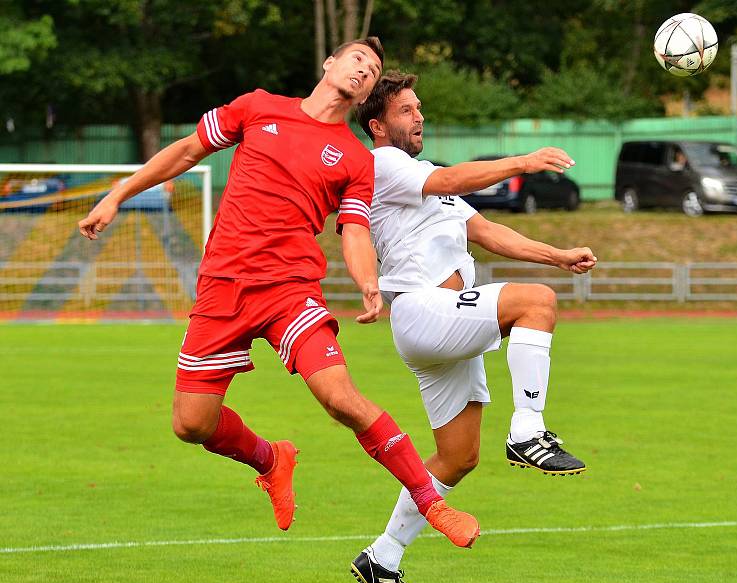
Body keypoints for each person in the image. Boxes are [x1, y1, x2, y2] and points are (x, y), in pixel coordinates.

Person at [77, 40, 478, 549]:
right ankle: (271, 459)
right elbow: (185, 151)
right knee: (191, 424)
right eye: (358, 59)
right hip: (222, 287)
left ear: (366, 96)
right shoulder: (258, 106)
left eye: (373, 71)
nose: (364, 70)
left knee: (341, 400)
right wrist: (116, 195)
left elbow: (354, 230)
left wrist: (368, 282)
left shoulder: (357, 160)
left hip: (290, 290)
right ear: (330, 63)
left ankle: (432, 502)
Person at [348, 71, 598, 583]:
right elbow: (450, 180)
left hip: (442, 322)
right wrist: (522, 162)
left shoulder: (425, 176)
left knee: (458, 457)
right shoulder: (382, 164)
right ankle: (528, 431)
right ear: (377, 125)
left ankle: (382, 554)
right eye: (406, 111)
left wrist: (558, 254)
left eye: (420, 108)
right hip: (423, 308)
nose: (419, 117)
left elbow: (486, 232)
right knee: (537, 303)